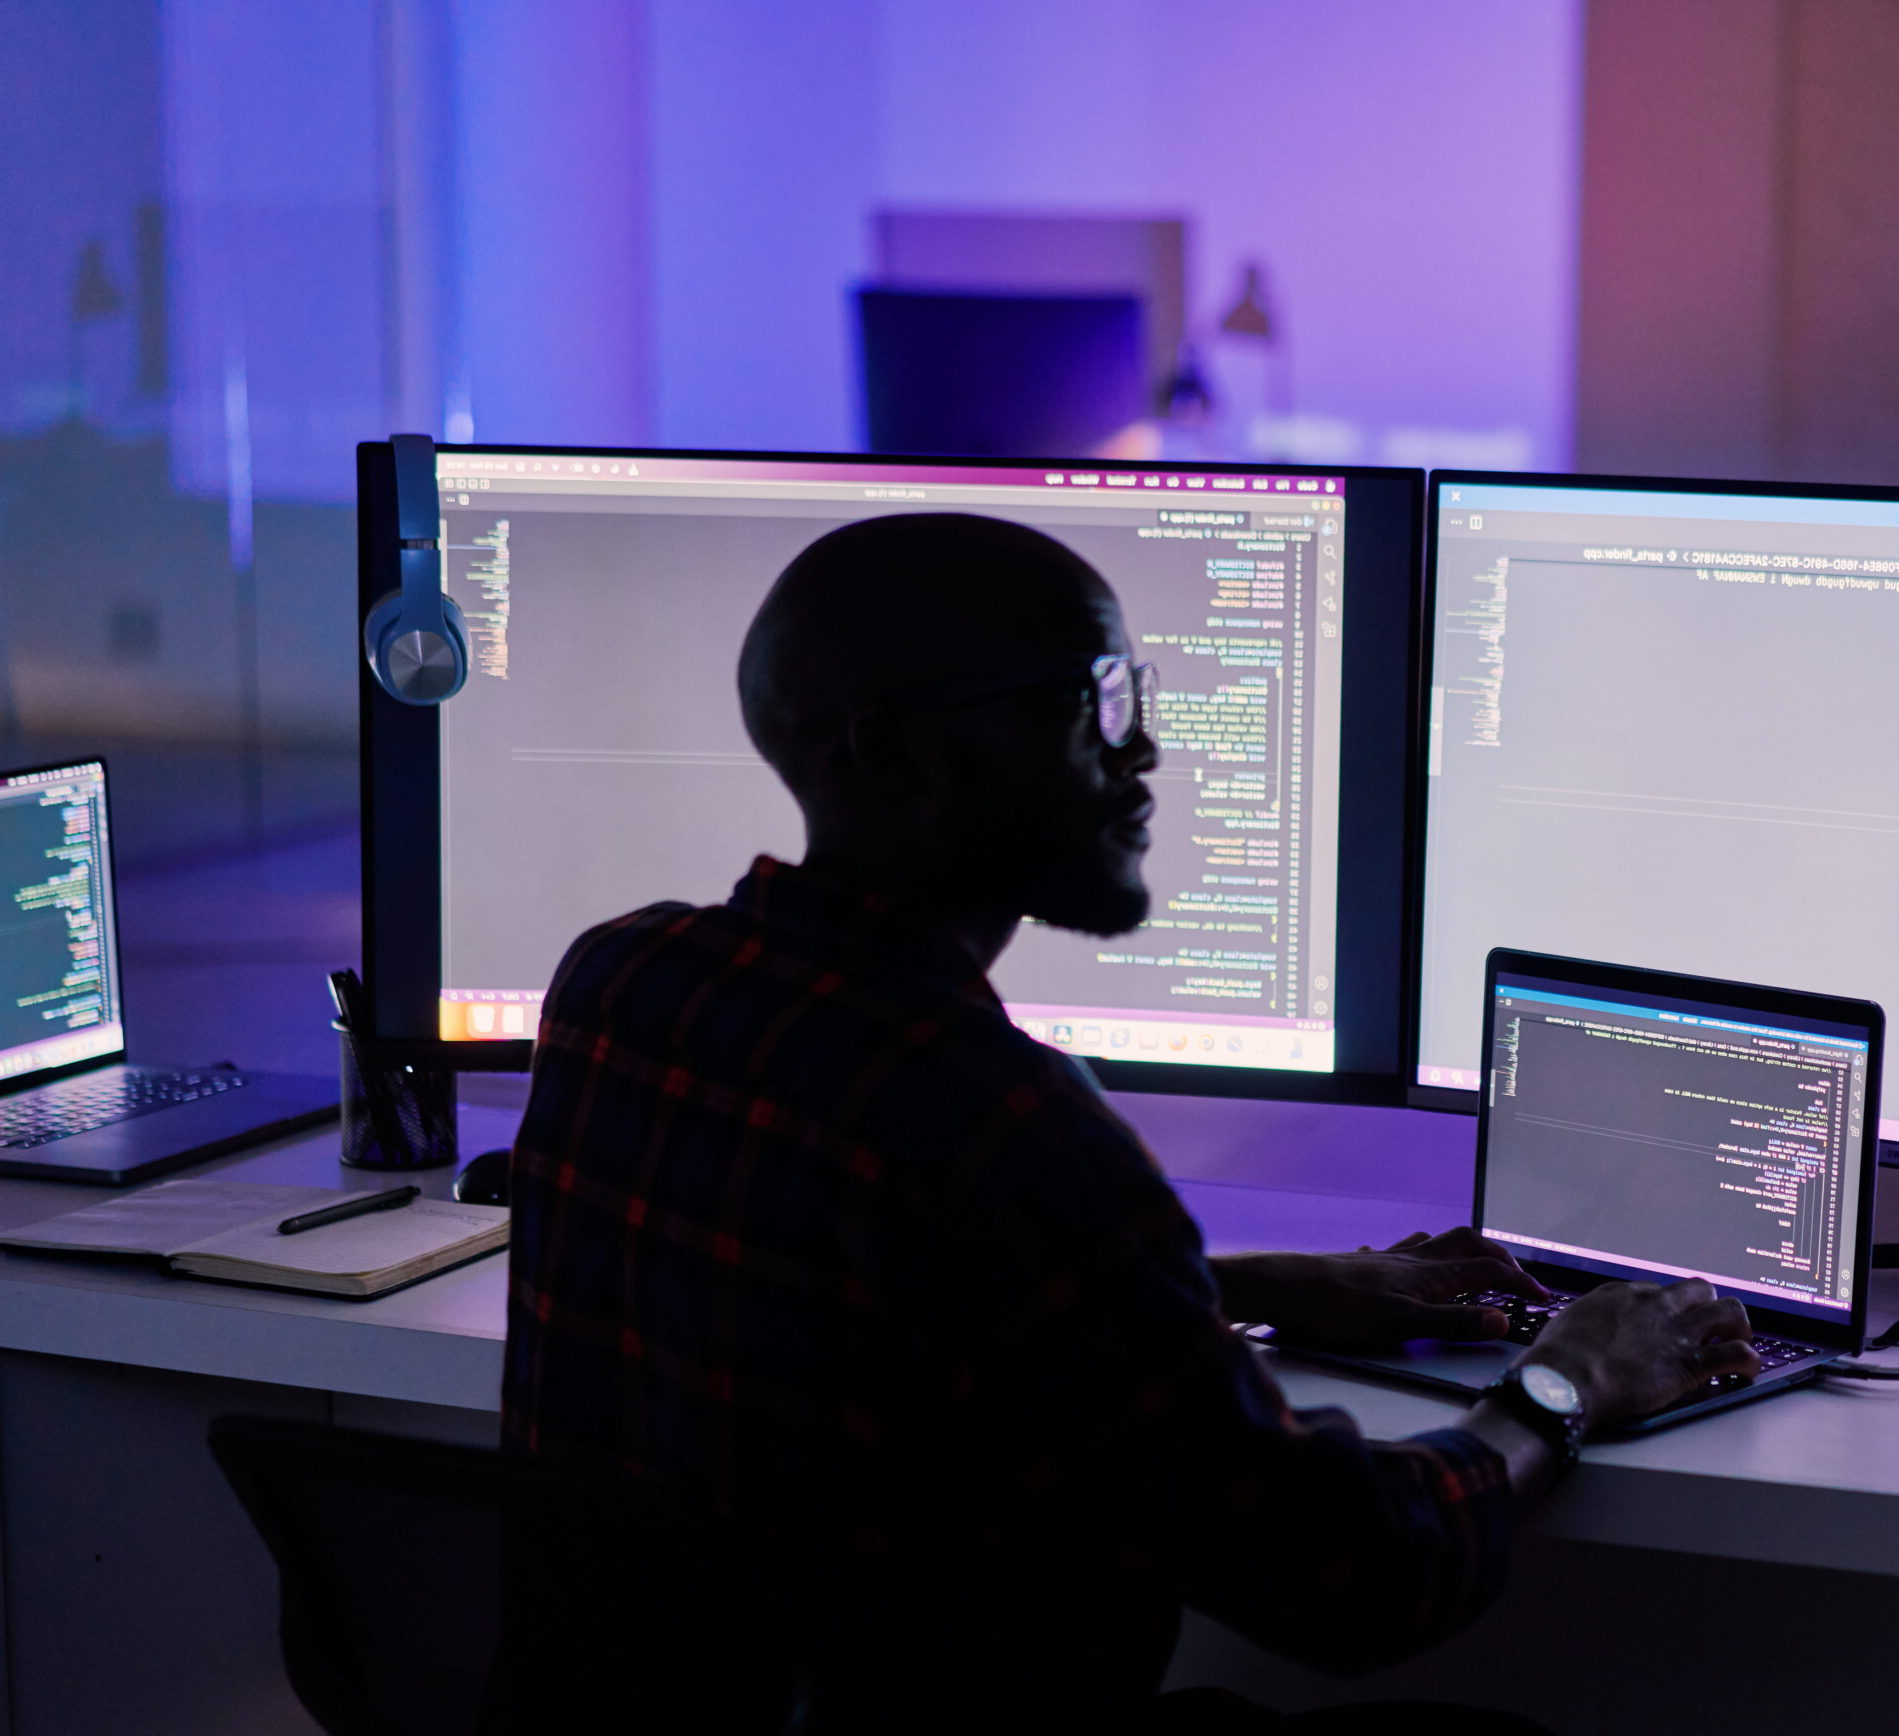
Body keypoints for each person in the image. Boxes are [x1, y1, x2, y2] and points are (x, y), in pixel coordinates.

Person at [500, 513, 1759, 1731]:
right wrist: (1570, 1375)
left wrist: (1241, 1285)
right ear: (894, 755)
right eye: (1089, 699)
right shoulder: (1008, 1126)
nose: (1143, 747)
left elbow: (883, 1312)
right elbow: (1356, 1573)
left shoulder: (622, 978)